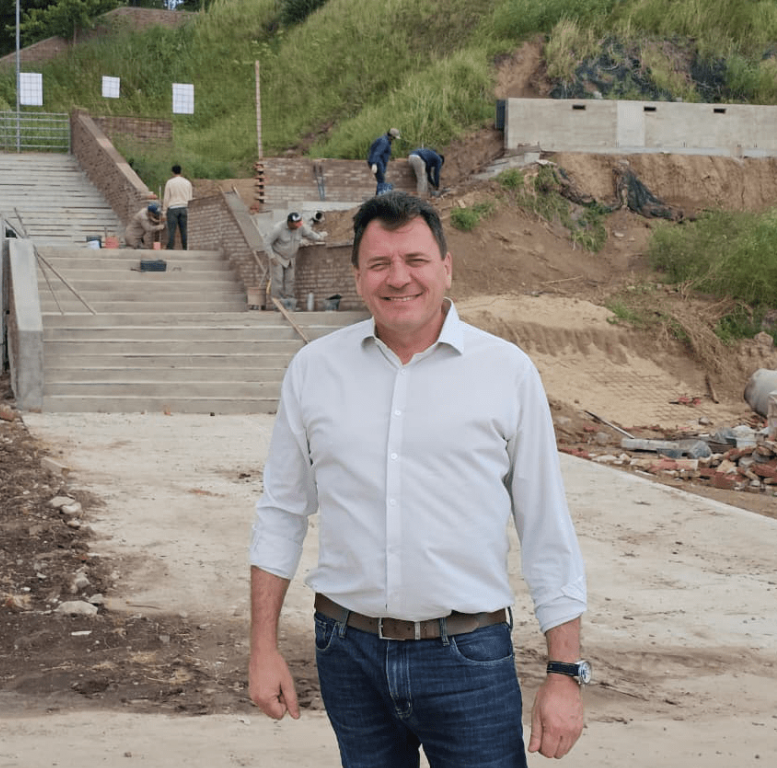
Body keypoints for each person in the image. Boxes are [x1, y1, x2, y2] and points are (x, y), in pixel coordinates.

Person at [248, 191, 588, 767]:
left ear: (447, 267)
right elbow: (281, 512)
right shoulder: (314, 371)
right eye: (379, 263)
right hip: (347, 655)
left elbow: (546, 528)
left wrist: (564, 672)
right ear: (358, 277)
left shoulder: (506, 372)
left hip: (470, 659)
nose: (398, 277)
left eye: (415, 260)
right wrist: (263, 647)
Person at [263, 211, 325, 306]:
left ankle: (289, 302)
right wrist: (272, 257)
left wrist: (319, 237)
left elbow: (309, 234)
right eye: (296, 223)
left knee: (290, 280)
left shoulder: (300, 227)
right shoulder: (278, 229)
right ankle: (277, 304)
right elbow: (266, 243)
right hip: (278, 256)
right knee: (278, 280)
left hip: (290, 258)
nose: (299, 225)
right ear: (290, 222)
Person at [163, 164, 193, 249]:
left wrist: (164, 210)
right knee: (184, 231)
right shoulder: (187, 182)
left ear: (172, 172)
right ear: (181, 171)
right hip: (184, 208)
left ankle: (170, 249)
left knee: (171, 231)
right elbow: (190, 198)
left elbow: (166, 198)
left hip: (173, 209)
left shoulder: (170, 182)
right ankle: (185, 248)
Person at [367, 128, 400, 195]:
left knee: (381, 181)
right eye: (394, 138)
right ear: (391, 136)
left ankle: (379, 196)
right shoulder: (384, 142)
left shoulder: (384, 140)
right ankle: (380, 197)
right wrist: (374, 163)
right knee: (381, 181)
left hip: (380, 162)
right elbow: (377, 152)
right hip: (378, 162)